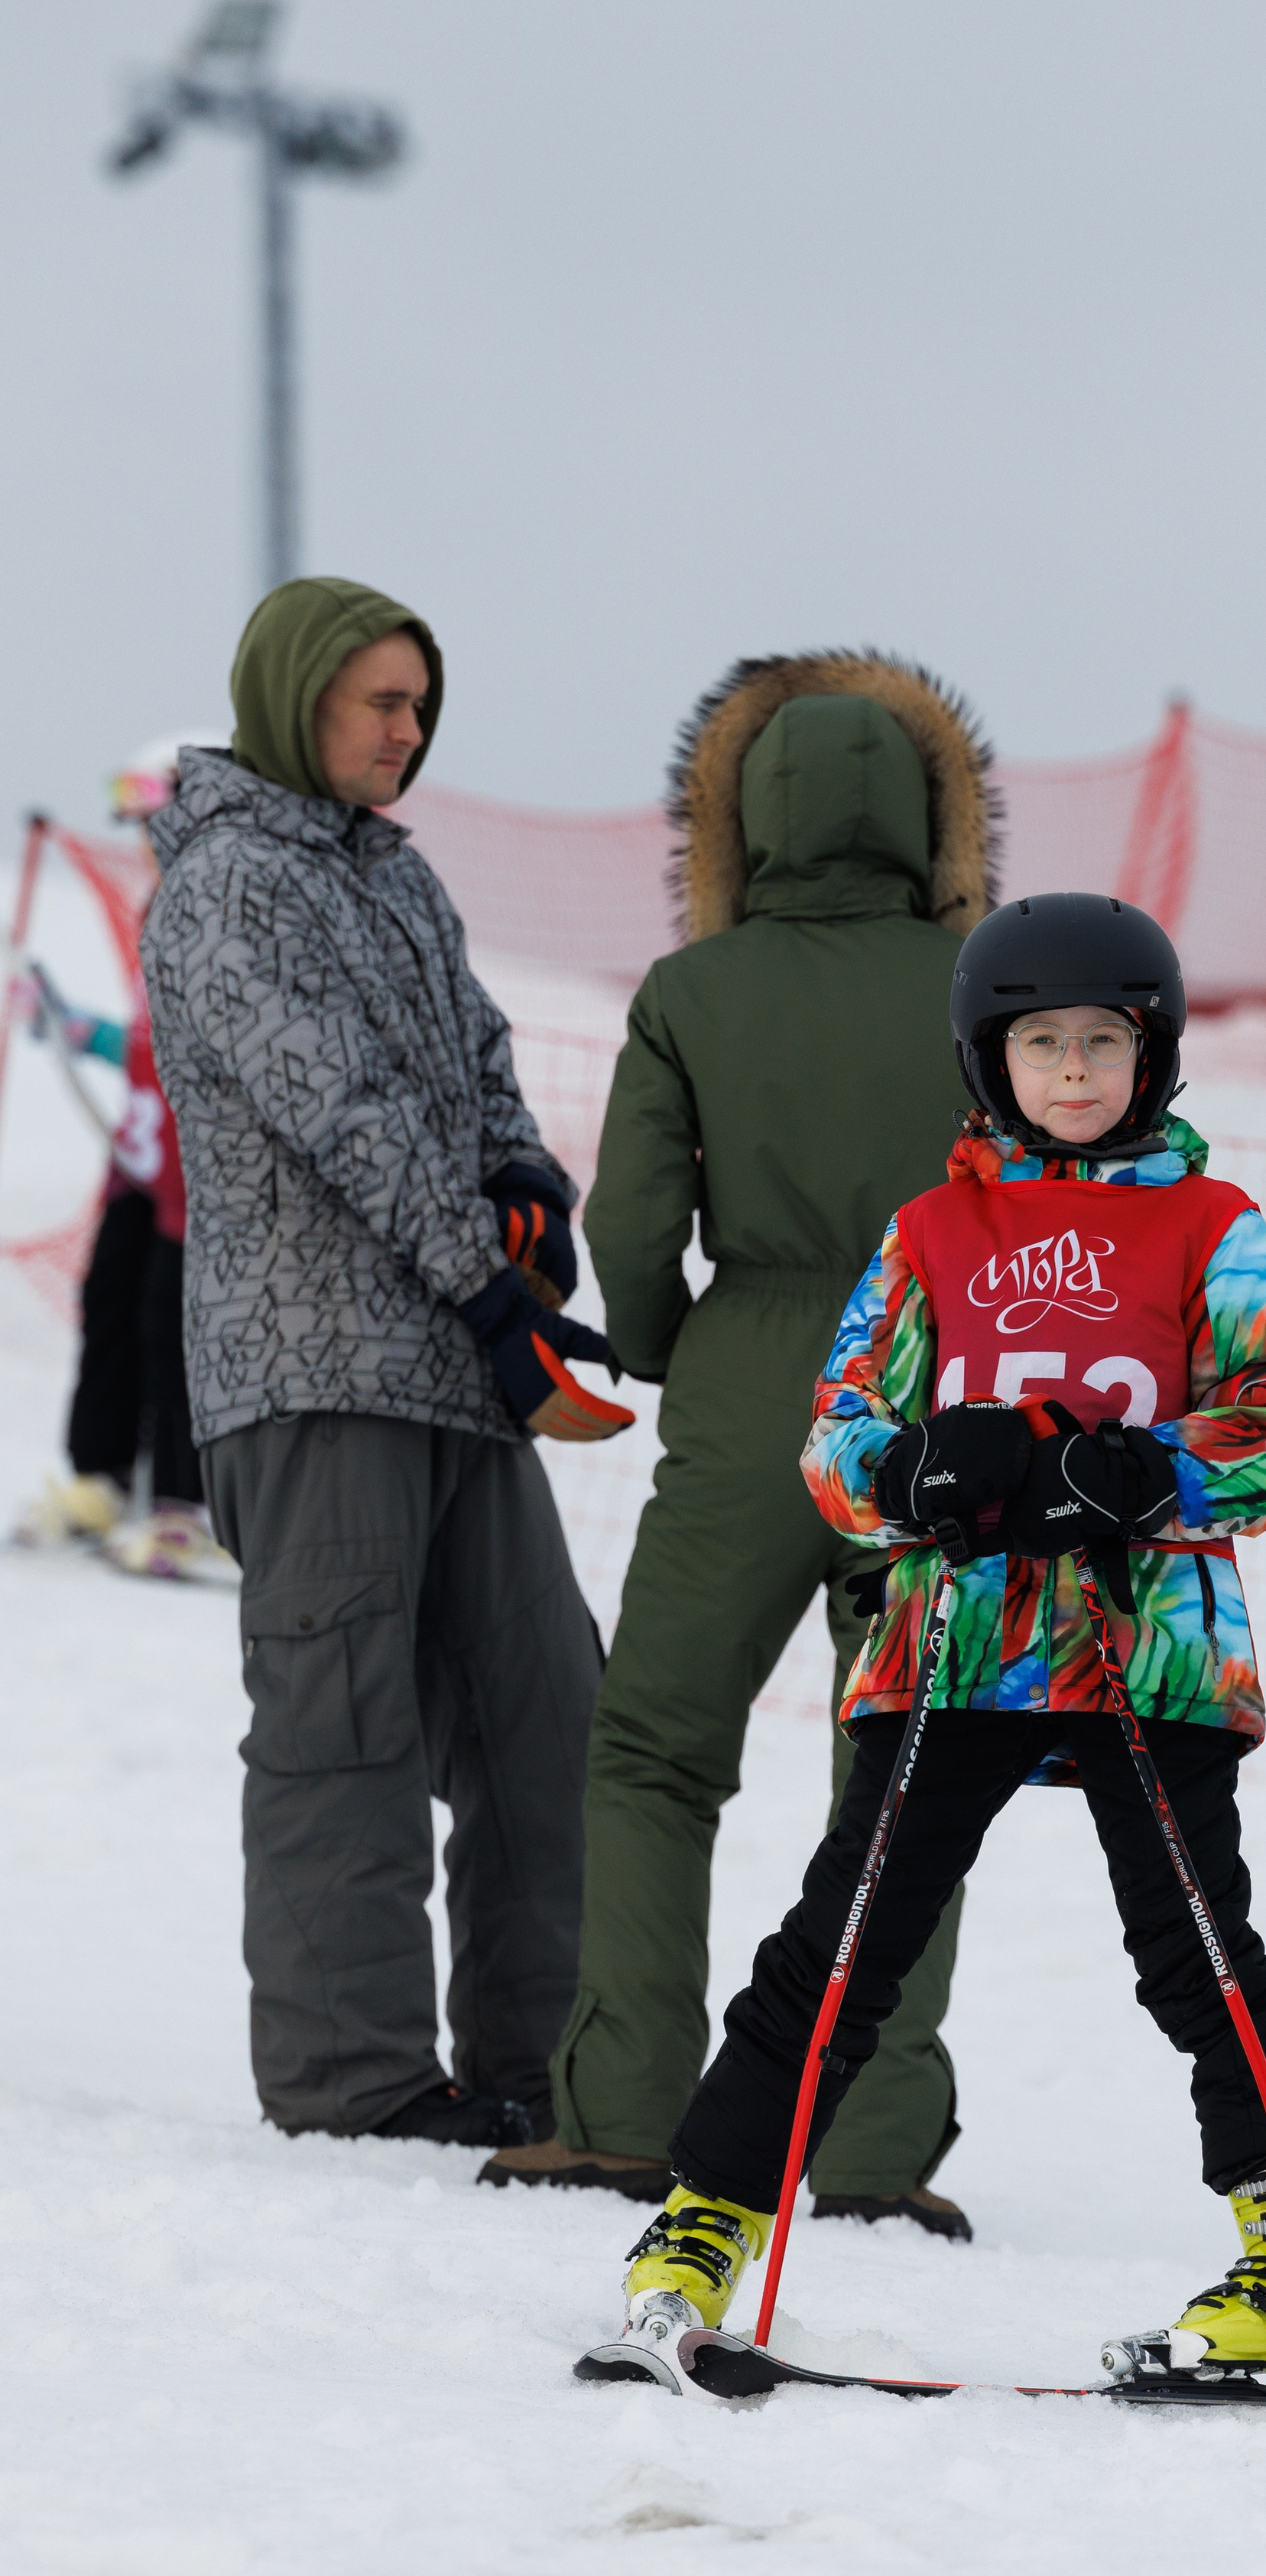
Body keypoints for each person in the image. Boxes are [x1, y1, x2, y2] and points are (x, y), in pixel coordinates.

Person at [576, 889, 1266, 2396]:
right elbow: (841, 1436)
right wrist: (918, 1473)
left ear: (1149, 1056)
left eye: (1101, 1041)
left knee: (1195, 1947)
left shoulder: (1208, 1223)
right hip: (961, 1640)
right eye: (1039, 1042)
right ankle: (696, 2234)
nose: (1070, 1071)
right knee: (841, 1944)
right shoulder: (933, 1230)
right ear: (988, 1058)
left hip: (1142, 1640)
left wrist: (1148, 1468)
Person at [483, 654, 993, 2226]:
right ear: (921, 814)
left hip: (757, 1371)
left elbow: (632, 1212)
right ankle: (864, 2140)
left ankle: (625, 2108)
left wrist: (654, 1339)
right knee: (900, 1762)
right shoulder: (986, 981)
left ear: (747, 816)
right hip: (937, 1385)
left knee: (652, 1747)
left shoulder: (693, 990)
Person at [141, 577, 631, 2146]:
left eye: (421, 705)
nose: (407, 732)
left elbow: (473, 1067)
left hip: (449, 1360)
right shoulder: (226, 884)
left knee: (547, 1706)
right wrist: (486, 1289)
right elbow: (338, 1110)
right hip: (309, 1368)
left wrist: (529, 1199)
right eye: (379, 702)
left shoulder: (398, 882)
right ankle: (351, 2076)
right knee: (343, 1726)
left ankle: (538, 2055)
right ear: (299, 699)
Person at [14, 737, 225, 1578]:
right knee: (108, 1301)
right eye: (135, 825)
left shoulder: (221, 909)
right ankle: (101, 1476)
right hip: (139, 1164)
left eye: (155, 821)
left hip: (196, 1171)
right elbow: (147, 1041)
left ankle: (187, 1504)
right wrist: (78, 1029)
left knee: (172, 1326)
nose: (142, 842)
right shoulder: (157, 906)